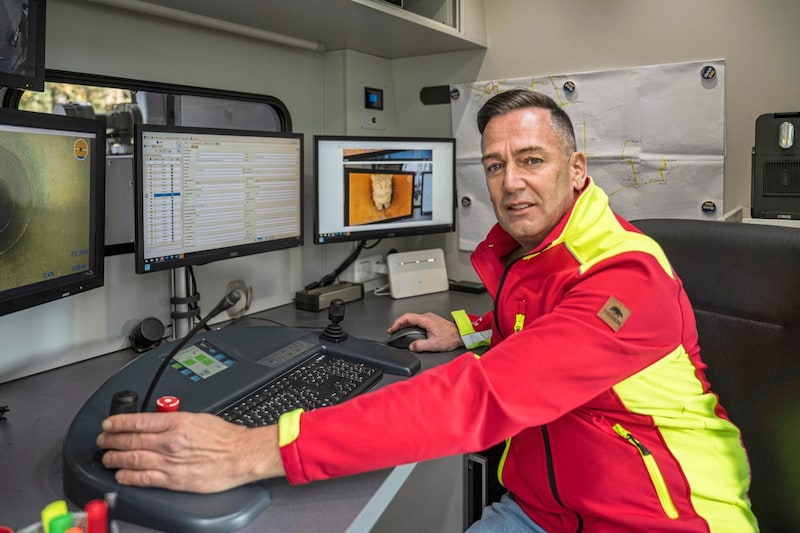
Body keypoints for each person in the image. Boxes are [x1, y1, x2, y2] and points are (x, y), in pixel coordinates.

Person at [97, 89, 758, 532]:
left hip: (661, 517)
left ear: (577, 169)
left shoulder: (627, 276)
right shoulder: (535, 252)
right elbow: (534, 328)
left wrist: (258, 447)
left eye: (532, 160)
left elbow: (483, 396)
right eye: (496, 166)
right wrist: (468, 329)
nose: (511, 182)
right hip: (542, 510)